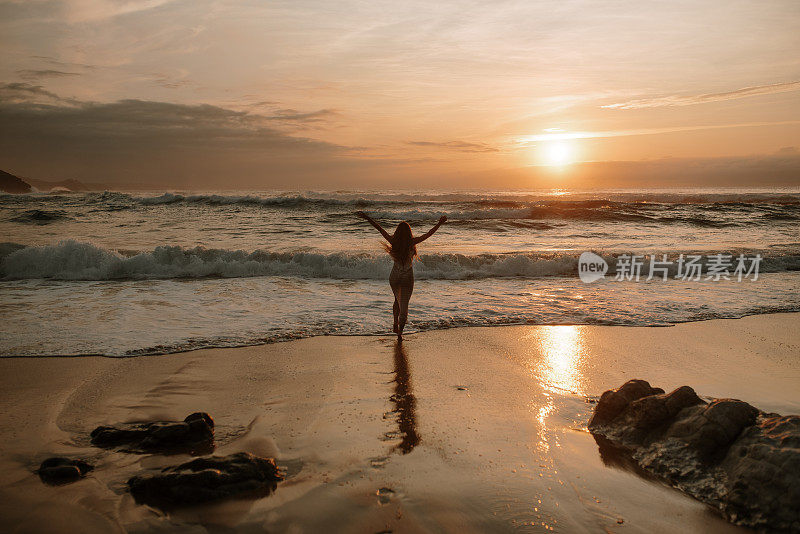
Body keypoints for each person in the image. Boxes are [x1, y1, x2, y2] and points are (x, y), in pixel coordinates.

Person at [356, 211, 447, 340]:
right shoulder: (412, 242)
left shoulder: (393, 241)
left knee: (397, 300)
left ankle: (395, 323)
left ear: (398, 231)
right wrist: (439, 223)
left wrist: (367, 218)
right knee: (404, 306)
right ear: (409, 232)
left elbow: (379, 229)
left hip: (394, 276)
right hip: (407, 277)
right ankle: (400, 333)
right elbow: (428, 234)